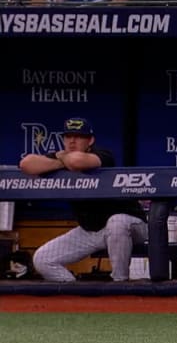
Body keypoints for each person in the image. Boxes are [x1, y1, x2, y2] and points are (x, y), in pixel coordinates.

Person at [18, 118, 148, 282]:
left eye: (79, 137)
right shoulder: (62, 158)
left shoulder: (103, 155)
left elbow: (76, 161)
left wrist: (60, 159)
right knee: (42, 259)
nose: (72, 141)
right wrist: (61, 161)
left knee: (117, 222)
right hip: (91, 230)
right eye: (68, 136)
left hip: (131, 225)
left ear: (90, 140)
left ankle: (120, 284)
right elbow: (26, 164)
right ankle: (77, 293)